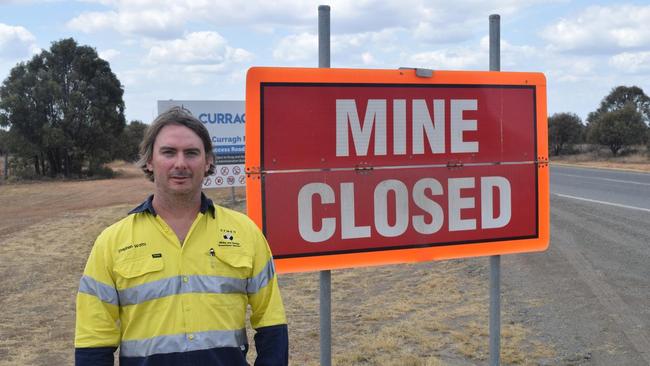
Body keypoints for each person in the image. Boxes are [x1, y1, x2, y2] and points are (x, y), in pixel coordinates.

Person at [75, 107, 288, 365]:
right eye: (168, 152)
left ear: (208, 161)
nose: (180, 163)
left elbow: (272, 323)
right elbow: (93, 342)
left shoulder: (246, 233)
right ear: (150, 161)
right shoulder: (111, 242)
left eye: (191, 153)